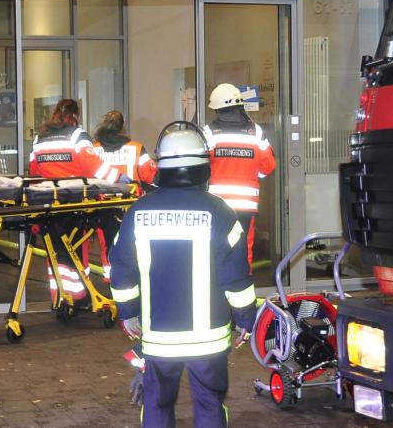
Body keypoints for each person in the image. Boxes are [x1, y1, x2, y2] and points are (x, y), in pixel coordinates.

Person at [110, 121, 256, 428]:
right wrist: (245, 319)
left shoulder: (139, 212)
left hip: (158, 339)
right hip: (209, 341)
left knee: (157, 405)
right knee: (209, 405)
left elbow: (122, 269)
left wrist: (128, 313)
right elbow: (236, 277)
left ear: (162, 166)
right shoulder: (221, 212)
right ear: (204, 165)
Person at [29, 99, 128, 309]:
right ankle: (80, 296)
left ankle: (63, 298)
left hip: (49, 201)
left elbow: (34, 171)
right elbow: (93, 166)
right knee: (74, 247)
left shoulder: (39, 138)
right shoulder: (77, 136)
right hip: (75, 201)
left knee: (57, 252)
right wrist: (119, 178)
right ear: (74, 116)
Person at [202, 83, 277, 271]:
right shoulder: (256, 131)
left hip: (217, 205)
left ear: (217, 108)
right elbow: (268, 167)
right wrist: (252, 173)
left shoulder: (209, 132)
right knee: (243, 251)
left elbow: (201, 167)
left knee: (216, 249)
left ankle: (218, 293)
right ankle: (243, 293)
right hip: (246, 205)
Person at [89, 110, 158, 282]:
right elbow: (151, 176)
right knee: (130, 245)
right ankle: (130, 278)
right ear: (123, 127)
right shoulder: (136, 148)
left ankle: (111, 277)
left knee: (107, 243)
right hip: (130, 207)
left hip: (101, 206)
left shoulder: (94, 149)